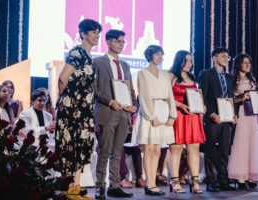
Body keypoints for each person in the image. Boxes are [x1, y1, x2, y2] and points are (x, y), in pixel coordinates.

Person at [55, 19, 102, 200]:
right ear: (83, 34)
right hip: (71, 107)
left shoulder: (90, 57)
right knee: (70, 145)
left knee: (82, 146)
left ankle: (76, 187)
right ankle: (68, 188)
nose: (97, 35)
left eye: (98, 32)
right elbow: (62, 78)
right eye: (93, 32)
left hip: (84, 109)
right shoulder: (77, 52)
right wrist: (65, 101)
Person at [93, 29, 136, 199]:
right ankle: (100, 187)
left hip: (124, 114)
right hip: (107, 111)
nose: (121, 44)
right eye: (118, 41)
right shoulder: (97, 62)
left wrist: (132, 105)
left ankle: (114, 185)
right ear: (108, 42)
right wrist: (110, 101)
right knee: (105, 151)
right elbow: (93, 88)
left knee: (118, 152)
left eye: (123, 42)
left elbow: (130, 88)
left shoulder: (125, 65)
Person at [131, 45, 177, 196]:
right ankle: (149, 183)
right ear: (150, 55)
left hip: (163, 110)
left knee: (157, 149)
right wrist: (151, 116)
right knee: (149, 149)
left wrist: (172, 115)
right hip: (149, 112)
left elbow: (170, 95)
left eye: (161, 55)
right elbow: (143, 96)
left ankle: (153, 183)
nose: (160, 57)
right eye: (157, 54)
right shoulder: (142, 73)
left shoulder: (165, 74)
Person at [168, 50, 206, 193]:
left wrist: (202, 106)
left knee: (194, 150)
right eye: (186, 60)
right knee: (176, 149)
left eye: (191, 61)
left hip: (193, 117)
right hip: (178, 115)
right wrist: (180, 105)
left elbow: (196, 97)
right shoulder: (171, 76)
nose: (189, 64)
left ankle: (194, 181)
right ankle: (175, 181)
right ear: (179, 60)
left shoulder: (192, 78)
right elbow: (167, 97)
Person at [198, 47, 235, 192]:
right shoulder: (206, 74)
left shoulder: (229, 77)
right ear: (215, 58)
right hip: (213, 118)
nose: (227, 59)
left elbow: (230, 97)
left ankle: (223, 181)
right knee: (211, 150)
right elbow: (203, 96)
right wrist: (211, 113)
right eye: (223, 56)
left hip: (227, 119)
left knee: (225, 150)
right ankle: (211, 181)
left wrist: (234, 114)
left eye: (228, 56)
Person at [227, 53, 258, 189]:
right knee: (240, 144)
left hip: (251, 114)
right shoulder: (232, 80)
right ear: (238, 64)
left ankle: (251, 175)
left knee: (252, 144)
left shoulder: (252, 80)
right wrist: (242, 97)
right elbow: (230, 99)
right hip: (240, 113)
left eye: (249, 63)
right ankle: (240, 177)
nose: (248, 65)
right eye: (245, 62)